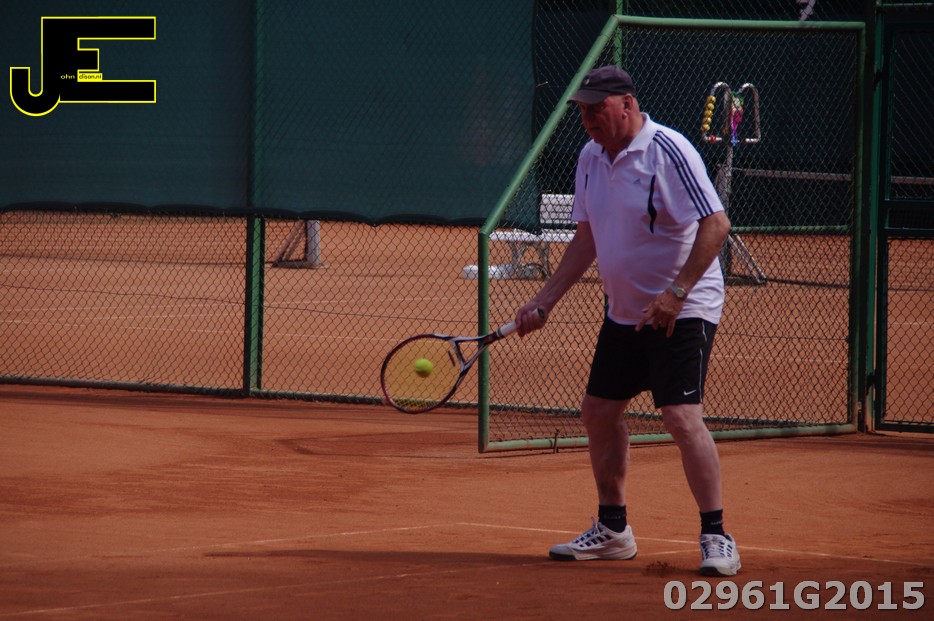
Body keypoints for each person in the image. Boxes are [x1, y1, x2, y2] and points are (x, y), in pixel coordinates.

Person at [513, 65, 740, 576]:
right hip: (624, 311)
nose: (589, 119)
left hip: (684, 307)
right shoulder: (590, 157)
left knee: (680, 417)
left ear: (628, 104)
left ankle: (716, 535)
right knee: (598, 411)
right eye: (583, 111)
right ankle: (613, 530)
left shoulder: (669, 151)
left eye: (597, 108)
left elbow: (716, 224)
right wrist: (545, 300)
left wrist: (676, 293)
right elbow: (587, 239)